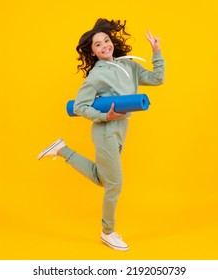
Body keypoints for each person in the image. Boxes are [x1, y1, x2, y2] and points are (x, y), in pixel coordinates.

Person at [38, 18, 165, 251]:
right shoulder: (96, 76)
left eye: (106, 40)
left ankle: (61, 149)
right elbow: (79, 107)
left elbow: (158, 79)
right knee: (114, 184)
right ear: (92, 52)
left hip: (121, 128)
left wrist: (156, 51)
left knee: (103, 178)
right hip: (106, 130)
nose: (104, 45)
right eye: (98, 44)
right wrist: (106, 116)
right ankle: (108, 232)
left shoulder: (129, 65)